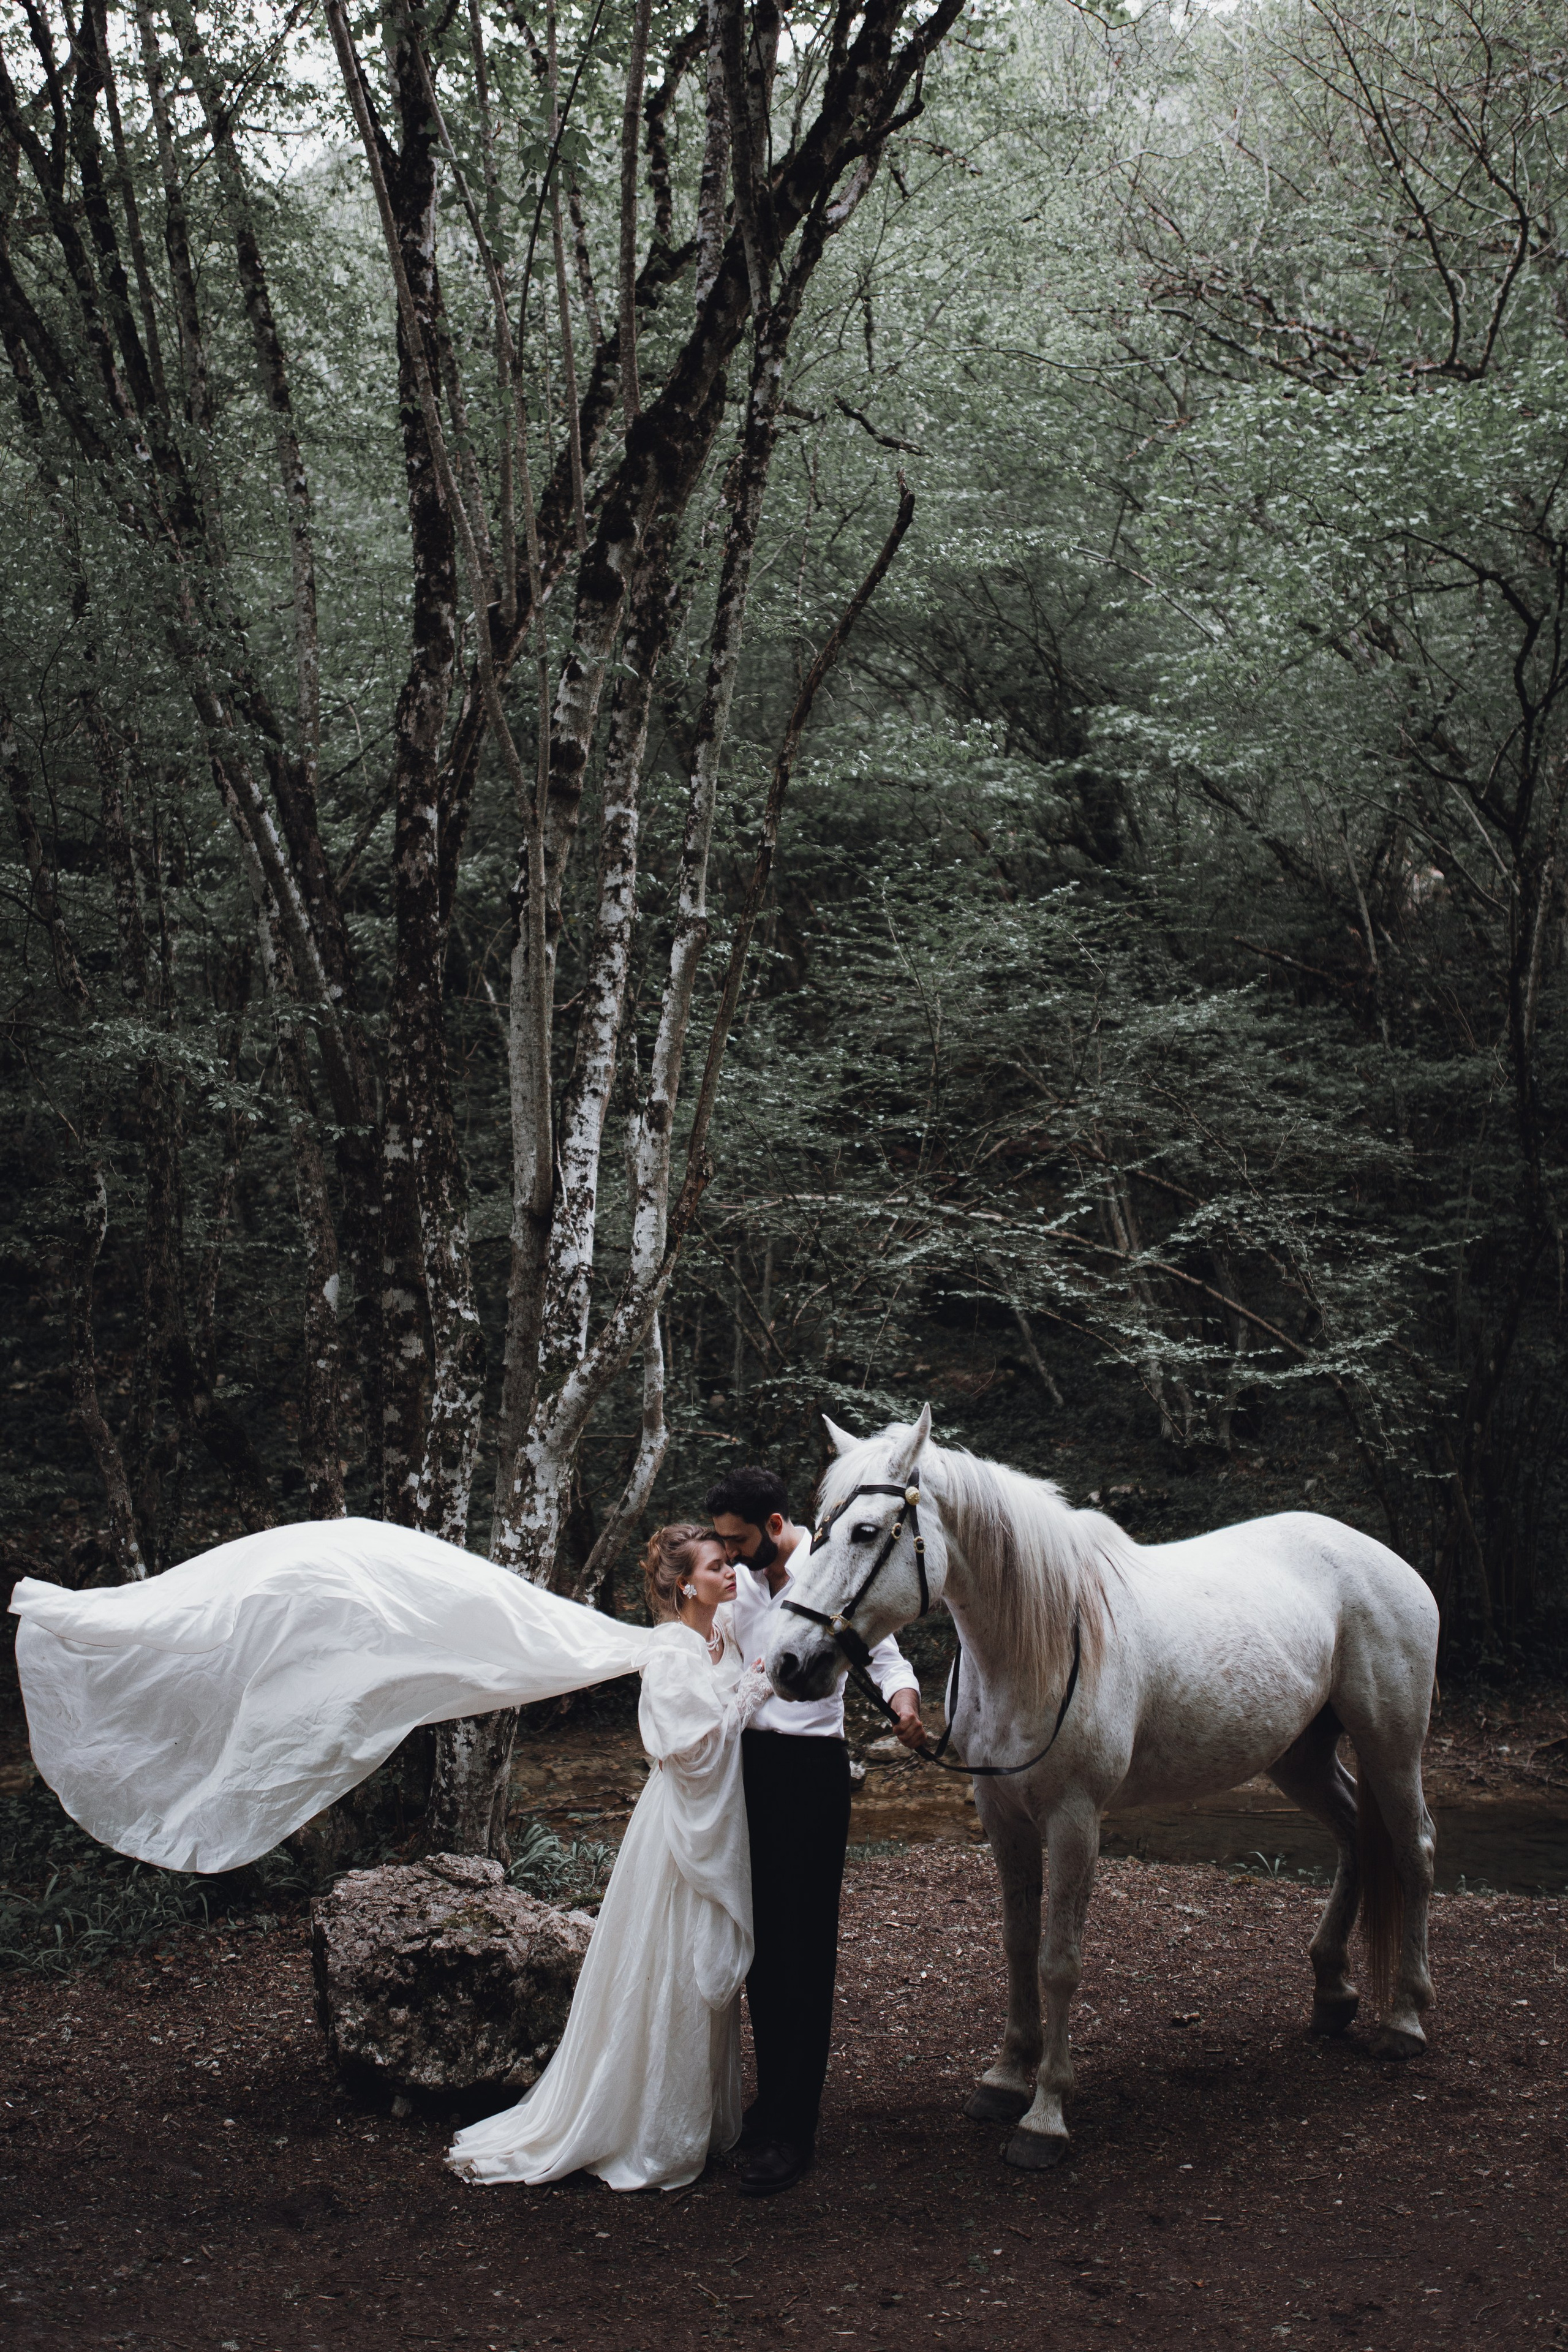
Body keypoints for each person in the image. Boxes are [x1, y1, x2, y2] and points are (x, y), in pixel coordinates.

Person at [449, 1527, 773, 2192]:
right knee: (671, 1965)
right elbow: (690, 1750)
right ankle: (649, 2127)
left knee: (697, 1966)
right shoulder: (672, 1652)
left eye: (729, 1561)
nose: (731, 1572)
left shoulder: (728, 1634)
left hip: (721, 1819)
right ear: (686, 1584)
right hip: (679, 1829)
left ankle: (694, 2117)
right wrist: (750, 1694)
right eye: (717, 1566)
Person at [707, 1464, 925, 2196]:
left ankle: (792, 2130)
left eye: (739, 1542)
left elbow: (886, 1648)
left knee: (801, 1949)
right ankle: (768, 2104)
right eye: (722, 1543)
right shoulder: (736, 1582)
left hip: (808, 1772)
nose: (730, 1555)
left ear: (776, 1527)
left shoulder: (829, 1566)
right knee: (757, 1945)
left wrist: (903, 1704)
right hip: (744, 1770)